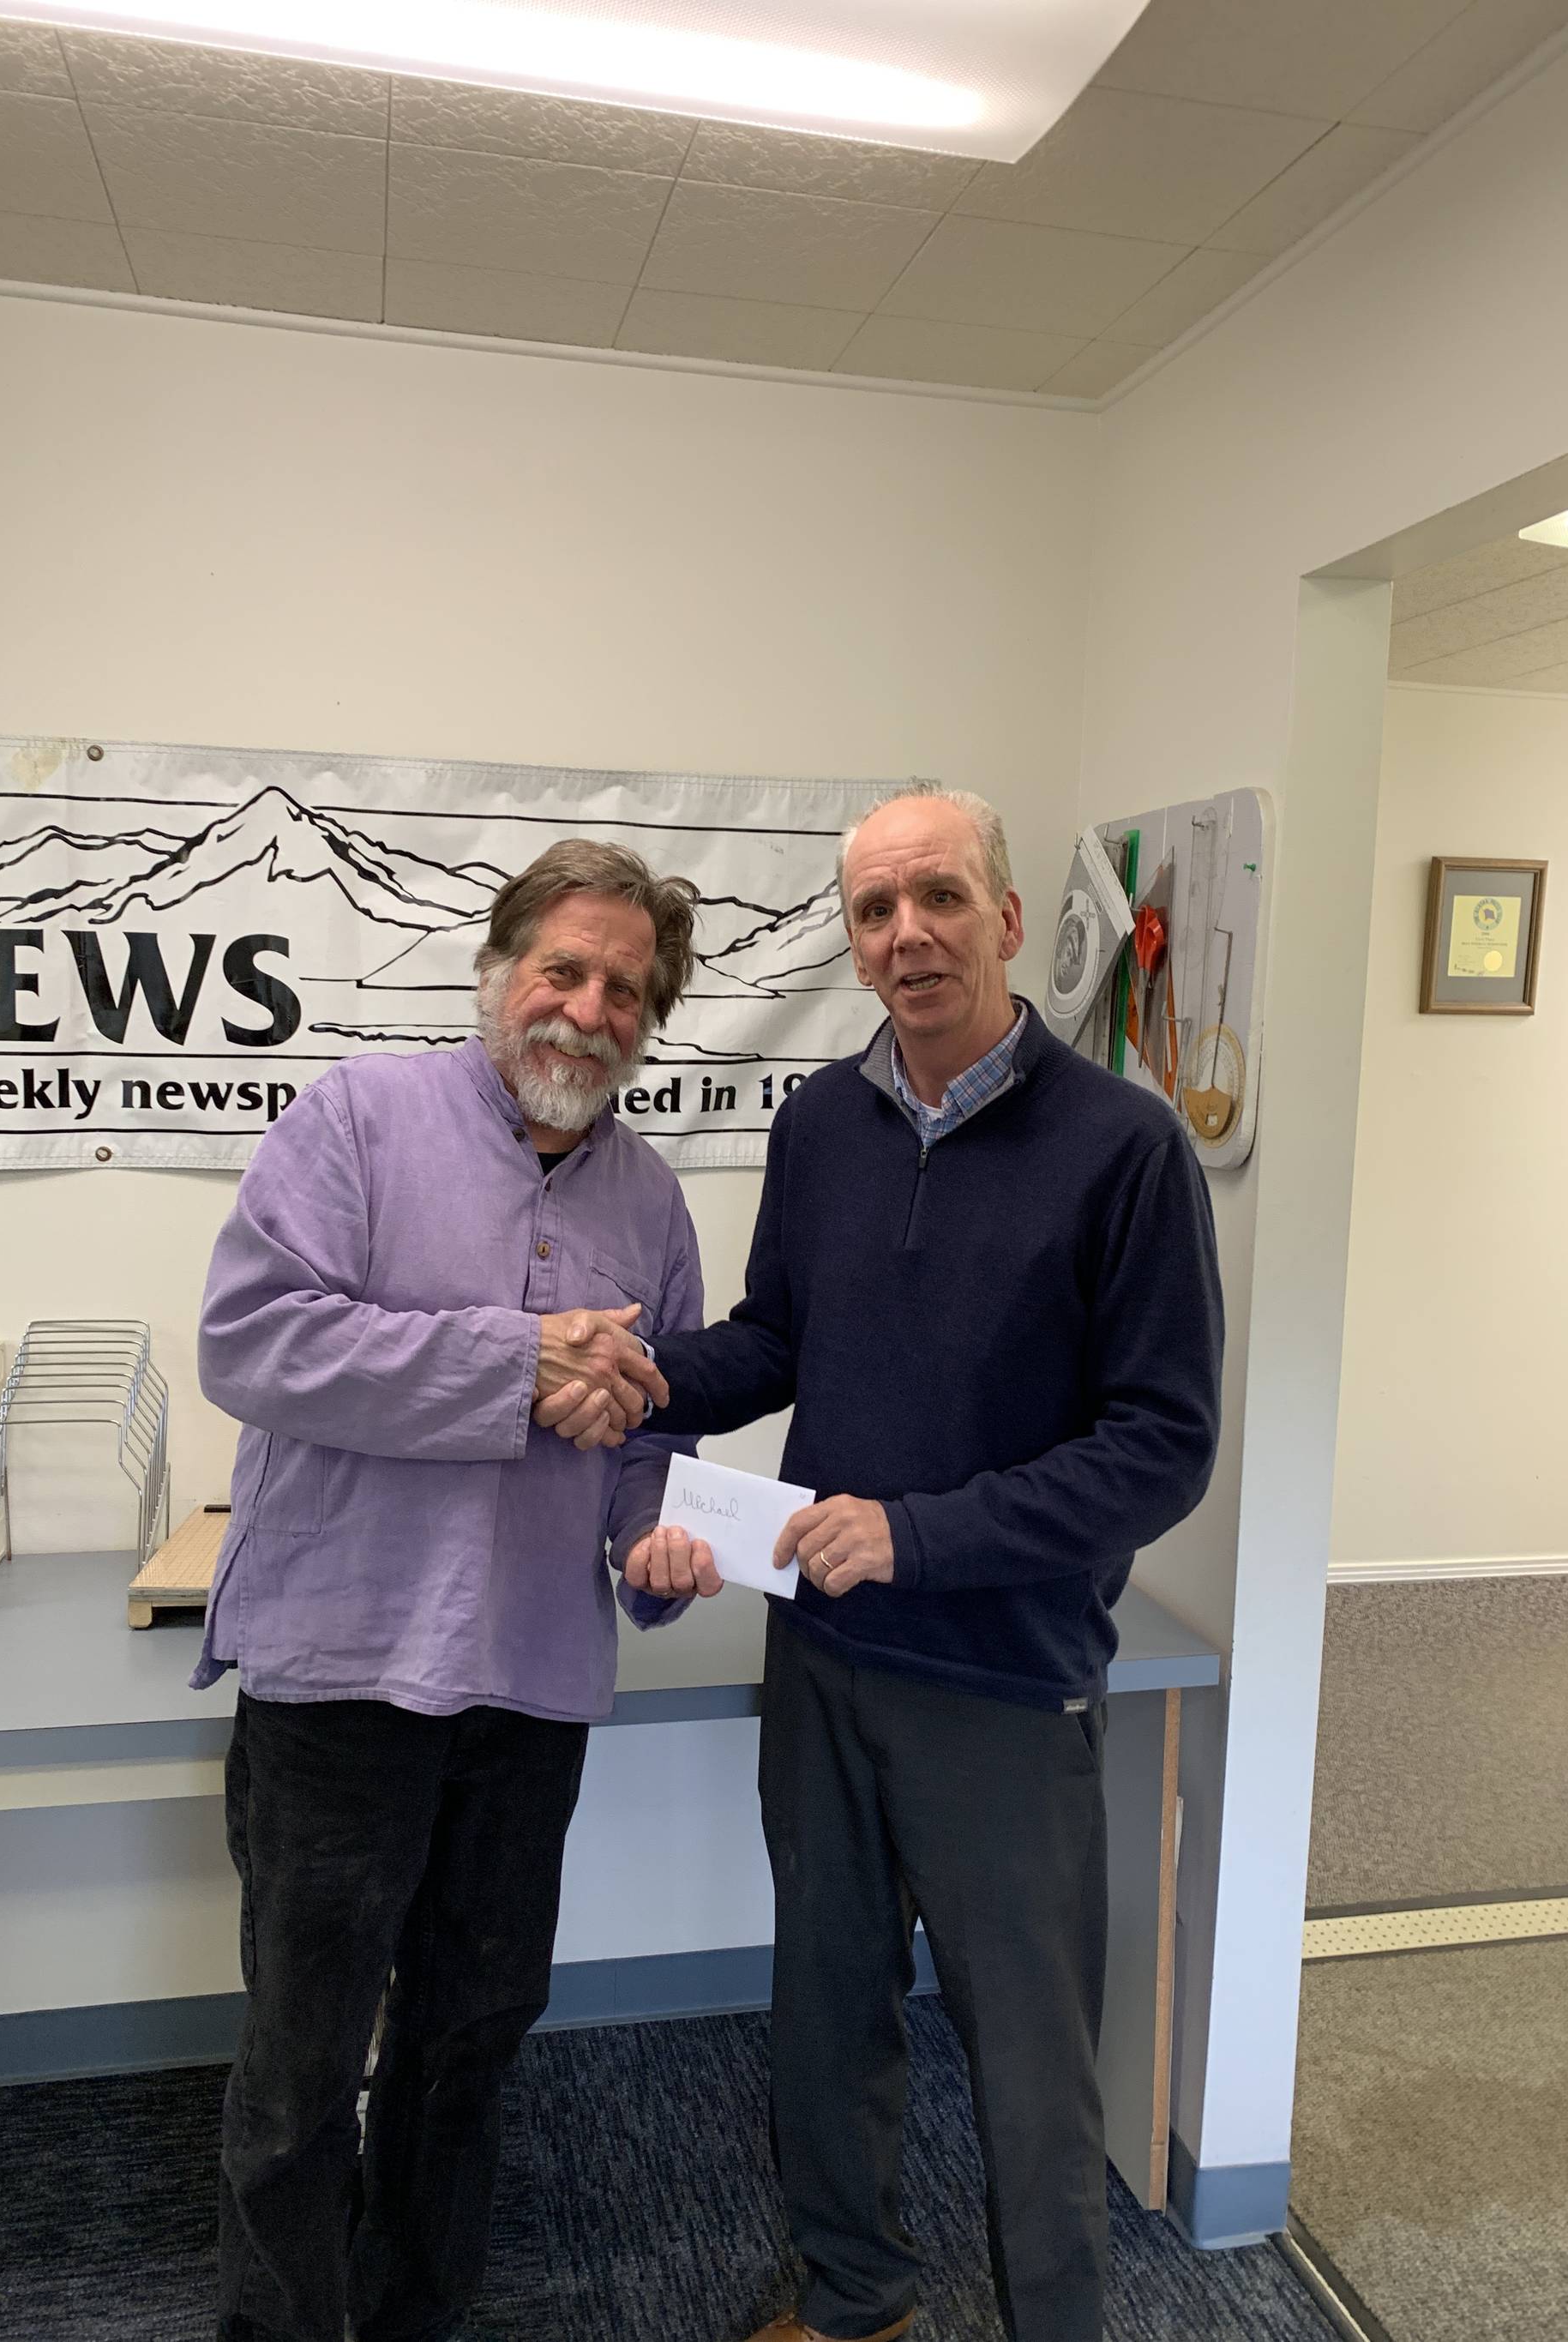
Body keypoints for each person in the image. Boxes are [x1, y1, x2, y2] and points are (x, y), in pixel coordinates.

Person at [541, 783, 1223, 2342]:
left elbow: (1158, 1449)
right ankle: (856, 2301)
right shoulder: (821, 1126)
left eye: (936, 897)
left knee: (1034, 2069)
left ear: (1000, 913)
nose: (906, 934)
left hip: (1002, 1684)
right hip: (825, 1662)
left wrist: (920, 1537)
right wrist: (643, 1375)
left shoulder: (1125, 1150)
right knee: (826, 2016)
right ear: (849, 942)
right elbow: (782, 1339)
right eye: (872, 910)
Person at [194, 839, 701, 2342]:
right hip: (340, 1674)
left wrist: (660, 1542)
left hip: (531, 1685)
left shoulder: (655, 1204)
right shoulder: (356, 1119)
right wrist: (511, 1359)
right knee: (302, 2067)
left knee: (468, 2044)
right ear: (500, 975)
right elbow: (254, 1343)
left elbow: (646, 1436)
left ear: (647, 1023)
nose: (588, 1009)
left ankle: (417, 2316)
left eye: (625, 989)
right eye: (564, 969)